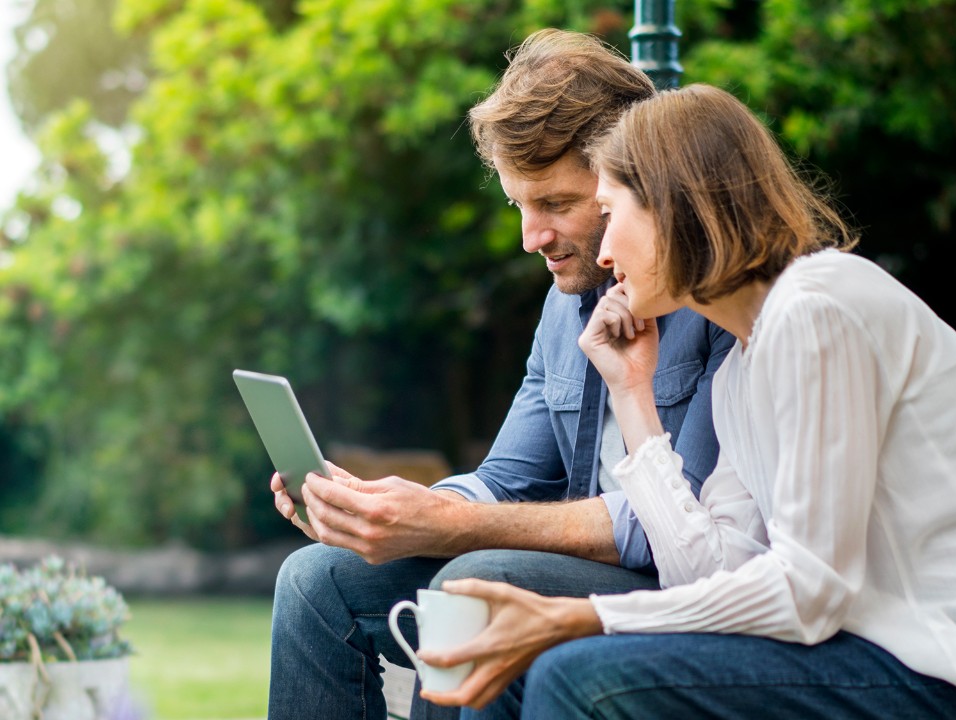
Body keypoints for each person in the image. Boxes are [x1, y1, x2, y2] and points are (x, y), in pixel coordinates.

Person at [414, 83, 956, 719]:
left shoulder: (819, 310)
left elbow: (811, 590)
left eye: (613, 215)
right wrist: (633, 394)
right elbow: (706, 566)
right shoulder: (743, 365)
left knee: (574, 672)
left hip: (954, 672)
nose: (606, 251)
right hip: (861, 651)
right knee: (523, 664)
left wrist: (586, 616)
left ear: (677, 207)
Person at [264, 32, 733, 720]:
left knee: (476, 581)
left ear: (631, 178)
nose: (530, 237)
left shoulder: (722, 305)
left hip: (679, 576)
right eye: (519, 205)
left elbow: (674, 528)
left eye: (555, 204)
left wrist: (452, 528)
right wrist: (386, 511)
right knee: (314, 581)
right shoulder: (563, 305)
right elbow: (505, 481)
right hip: (575, 567)